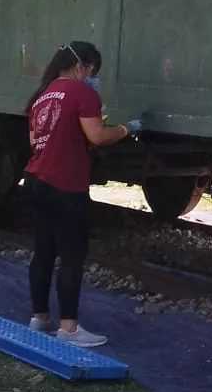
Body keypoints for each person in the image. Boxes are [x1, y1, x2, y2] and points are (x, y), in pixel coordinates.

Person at [24, 40, 138, 347]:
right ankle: (69, 329)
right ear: (80, 66)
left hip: (36, 179)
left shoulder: (41, 95)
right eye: (92, 70)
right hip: (66, 184)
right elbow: (97, 135)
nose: (92, 76)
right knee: (72, 256)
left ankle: (39, 317)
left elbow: (36, 140)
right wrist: (127, 129)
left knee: (44, 251)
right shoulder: (83, 93)